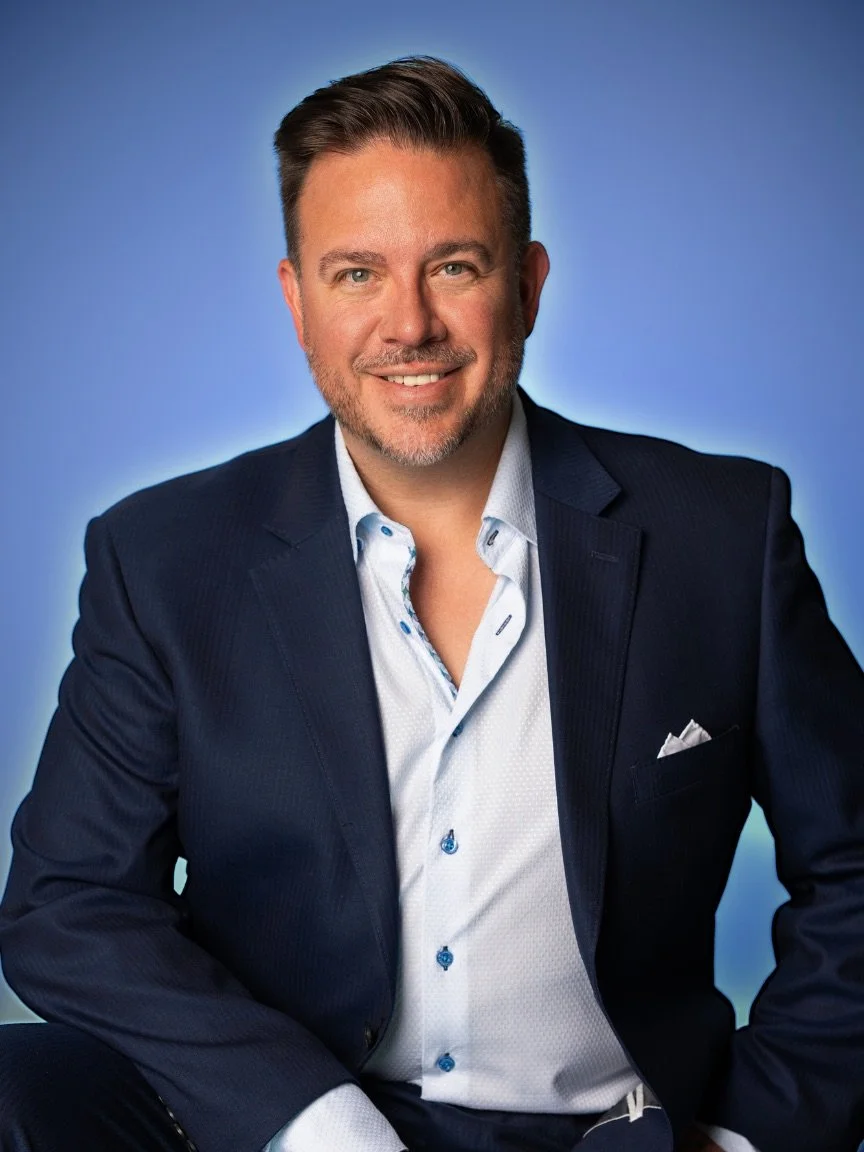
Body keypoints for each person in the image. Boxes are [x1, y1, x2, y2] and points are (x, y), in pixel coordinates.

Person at [1, 55, 862, 1152]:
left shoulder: (721, 536)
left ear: (530, 284)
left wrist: (752, 1138)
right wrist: (312, 1122)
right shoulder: (164, 559)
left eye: (453, 265)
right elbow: (69, 903)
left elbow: (856, 867)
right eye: (357, 273)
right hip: (288, 1119)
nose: (407, 324)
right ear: (296, 300)